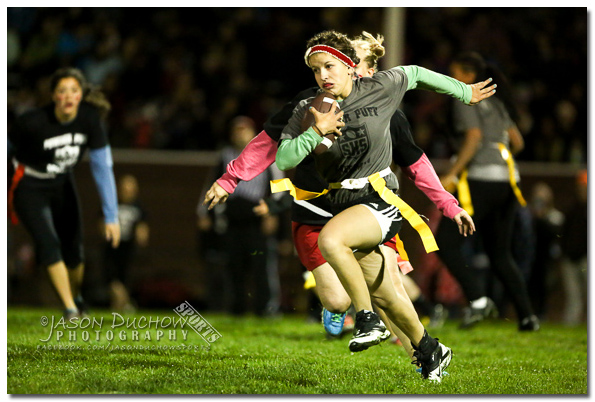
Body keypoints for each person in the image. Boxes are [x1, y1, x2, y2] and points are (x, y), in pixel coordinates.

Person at [274, 30, 494, 381]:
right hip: (341, 205)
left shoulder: (382, 89)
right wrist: (316, 132)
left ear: (350, 65)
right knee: (387, 294)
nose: (323, 76)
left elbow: (418, 74)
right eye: (316, 70)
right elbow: (284, 156)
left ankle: (366, 319)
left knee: (332, 241)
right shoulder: (310, 107)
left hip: (378, 200)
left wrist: (464, 91)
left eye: (329, 66)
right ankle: (431, 350)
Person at [435, 52, 539, 331]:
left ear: (468, 76)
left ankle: (478, 300)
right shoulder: (497, 102)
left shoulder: (466, 96)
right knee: (500, 253)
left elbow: (473, 137)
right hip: (508, 181)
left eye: (454, 72)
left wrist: (453, 173)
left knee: (445, 240)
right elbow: (516, 142)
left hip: (480, 180)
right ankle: (527, 316)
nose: (450, 78)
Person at [8, 67, 120, 320]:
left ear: (81, 95)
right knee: (49, 243)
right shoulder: (33, 121)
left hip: (61, 183)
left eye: (74, 90)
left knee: (74, 251)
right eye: (62, 91)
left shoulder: (90, 120)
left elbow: (103, 166)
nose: (68, 96)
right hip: (29, 185)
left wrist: (111, 214)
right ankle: (70, 308)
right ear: (53, 96)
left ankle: (76, 297)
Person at [198, 116, 282, 317]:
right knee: (233, 265)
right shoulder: (226, 155)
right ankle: (237, 307)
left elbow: (279, 185)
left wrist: (273, 211)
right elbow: (213, 182)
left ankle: (266, 308)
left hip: (256, 217)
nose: (239, 134)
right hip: (233, 218)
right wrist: (203, 212)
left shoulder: (267, 152)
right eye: (236, 130)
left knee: (261, 265)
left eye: (244, 130)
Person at [104, 174, 149, 312]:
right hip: (112, 247)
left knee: (124, 278)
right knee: (112, 279)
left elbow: (143, 227)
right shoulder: (112, 205)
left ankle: (121, 305)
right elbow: (102, 224)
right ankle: (123, 303)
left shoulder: (138, 207)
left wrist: (142, 236)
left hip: (128, 247)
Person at [559, 170, 587, 325]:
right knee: (573, 297)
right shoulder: (572, 208)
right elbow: (564, 234)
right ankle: (571, 325)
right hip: (570, 259)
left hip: (586, 259)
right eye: (581, 187)